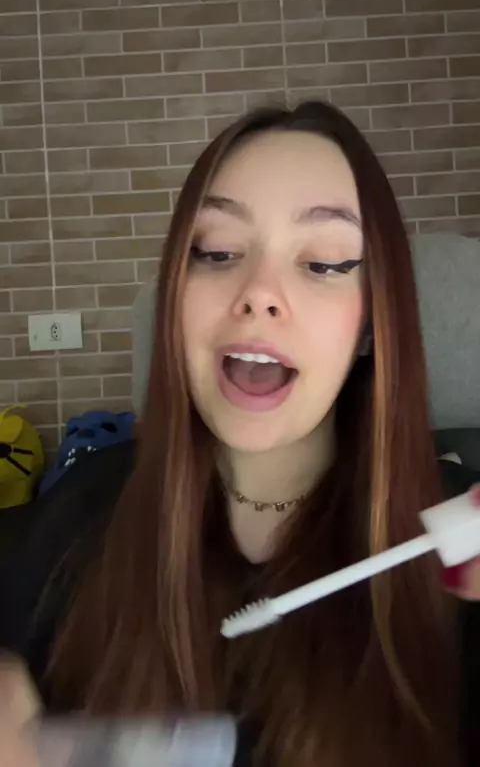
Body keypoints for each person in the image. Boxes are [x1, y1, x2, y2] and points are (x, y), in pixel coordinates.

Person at [0, 101, 479, 767]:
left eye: (325, 262)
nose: (259, 291)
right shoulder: (75, 519)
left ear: (374, 320)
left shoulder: (456, 544)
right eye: (218, 251)